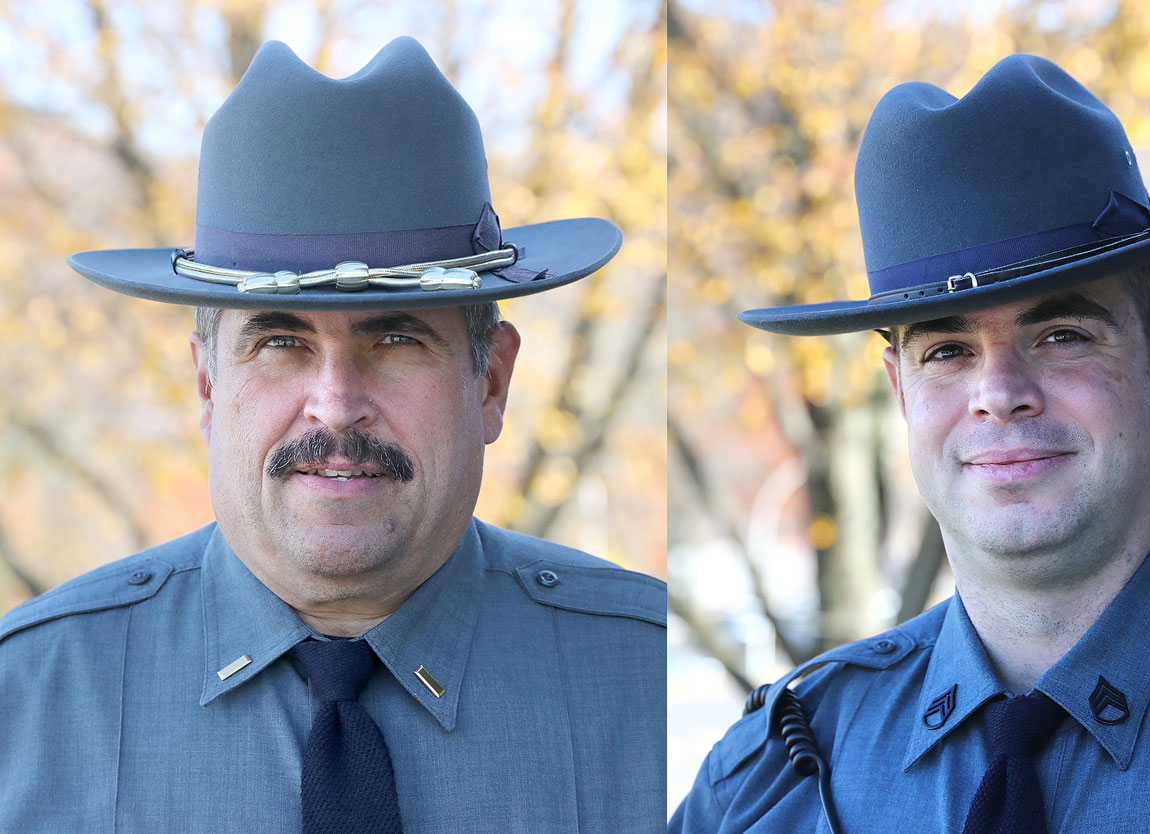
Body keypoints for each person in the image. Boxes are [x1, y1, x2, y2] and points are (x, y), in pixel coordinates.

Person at [0, 38, 666, 832]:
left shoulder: (649, 687)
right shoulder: (28, 704)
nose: (336, 404)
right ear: (208, 383)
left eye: (397, 339)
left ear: (491, 383)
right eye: (281, 342)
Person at [670, 54, 1150, 833]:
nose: (998, 393)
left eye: (1060, 334)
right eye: (947, 352)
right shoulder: (773, 776)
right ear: (901, 394)